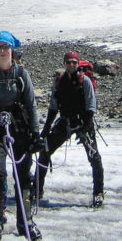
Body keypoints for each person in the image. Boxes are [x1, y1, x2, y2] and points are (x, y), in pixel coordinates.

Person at [0, 31, 44, 240]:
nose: (2, 51)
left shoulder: (21, 74)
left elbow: (31, 105)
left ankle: (26, 221)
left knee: (24, 177)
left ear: (12, 49)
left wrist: (35, 133)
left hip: (20, 131)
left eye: (6, 47)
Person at [37, 51, 105, 208]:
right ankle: (37, 189)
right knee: (45, 151)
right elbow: (53, 106)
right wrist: (46, 128)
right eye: (68, 62)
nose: (71, 65)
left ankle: (98, 193)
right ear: (64, 63)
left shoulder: (85, 81)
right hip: (65, 122)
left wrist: (86, 127)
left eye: (74, 62)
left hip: (83, 123)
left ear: (78, 64)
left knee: (94, 157)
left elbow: (91, 105)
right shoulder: (59, 81)